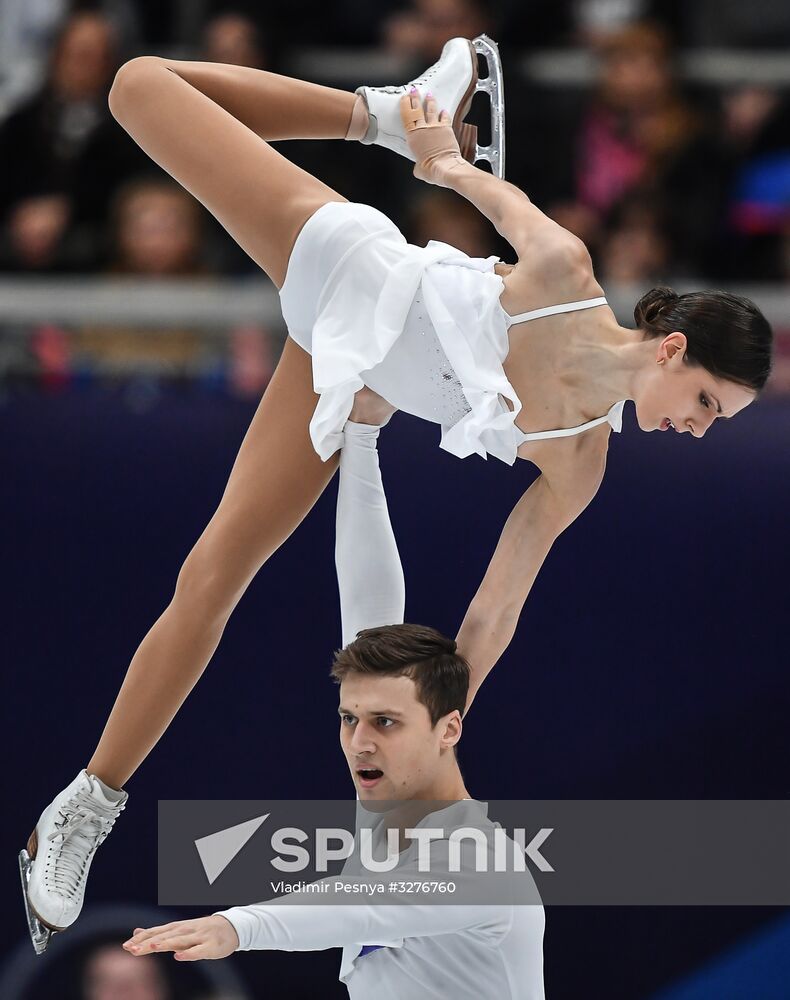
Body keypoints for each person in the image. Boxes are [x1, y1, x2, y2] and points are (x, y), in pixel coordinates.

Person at [20, 34, 772, 952]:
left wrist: (437, 731)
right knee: (139, 87)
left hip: (349, 377)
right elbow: (491, 191)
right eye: (704, 403)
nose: (699, 428)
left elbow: (494, 612)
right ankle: (368, 111)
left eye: (718, 422)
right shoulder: (565, 276)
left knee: (213, 575)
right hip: (352, 271)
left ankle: (83, 807)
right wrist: (437, 153)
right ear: (672, 350)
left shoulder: (581, 463)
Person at [121, 414, 546, 998]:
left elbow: (358, 909)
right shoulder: (391, 809)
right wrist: (361, 437)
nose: (359, 742)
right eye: (349, 719)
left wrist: (236, 926)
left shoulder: (481, 864)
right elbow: (367, 608)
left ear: (450, 728)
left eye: (386, 723)